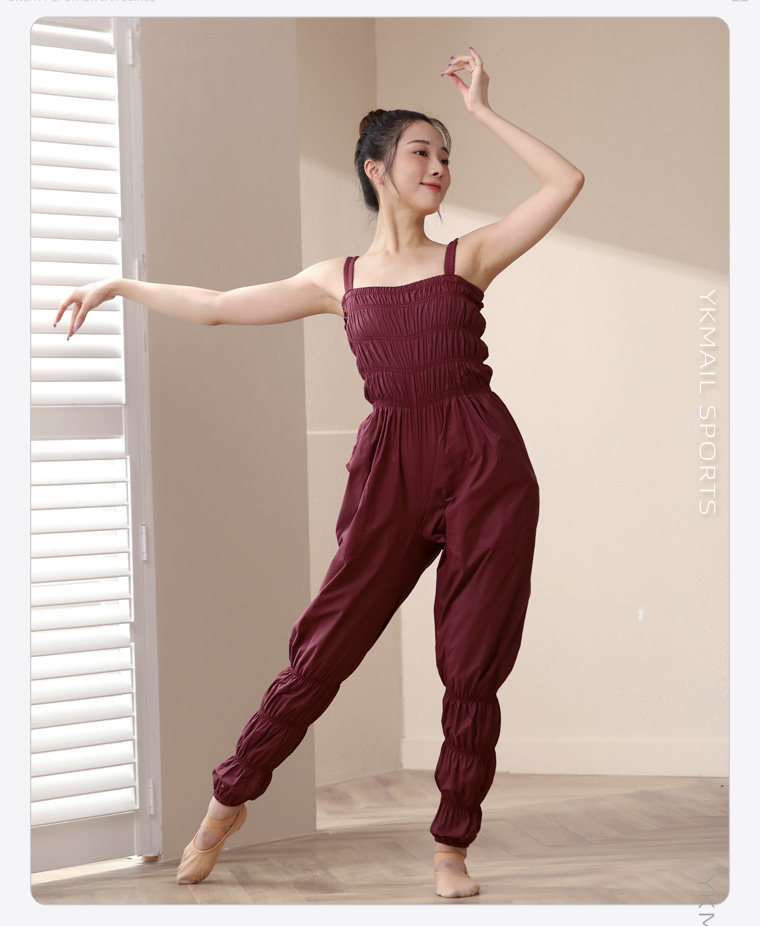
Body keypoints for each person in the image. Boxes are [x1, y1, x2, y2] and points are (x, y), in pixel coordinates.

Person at [55, 46, 584, 900]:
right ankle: (227, 802)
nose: (439, 168)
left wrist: (484, 110)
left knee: (470, 660)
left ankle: (451, 847)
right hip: (392, 468)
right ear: (377, 169)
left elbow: (565, 182)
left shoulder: (469, 256)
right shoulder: (336, 280)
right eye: (422, 152)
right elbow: (217, 309)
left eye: (447, 155)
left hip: (484, 462)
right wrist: (119, 285)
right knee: (323, 648)